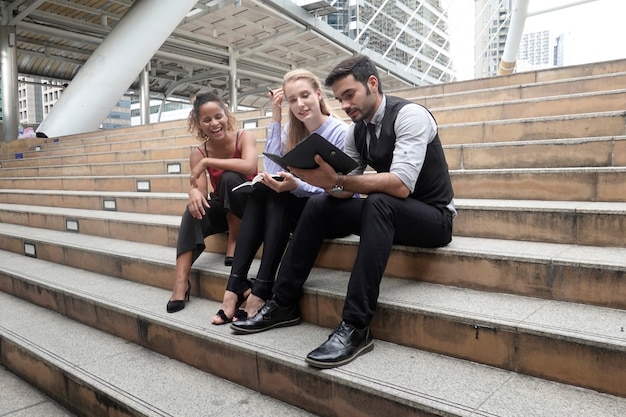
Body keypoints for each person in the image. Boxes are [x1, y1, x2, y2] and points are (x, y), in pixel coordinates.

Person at [231, 55, 456, 369]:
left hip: (434, 218)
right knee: (320, 203)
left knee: (379, 201)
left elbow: (402, 185)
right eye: (340, 98)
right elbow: (343, 189)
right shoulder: (357, 132)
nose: (345, 104)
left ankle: (355, 326)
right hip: (392, 214)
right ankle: (282, 303)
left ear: (372, 84)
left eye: (350, 95)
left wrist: (337, 180)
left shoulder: (410, 116)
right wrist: (315, 181)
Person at [211, 69, 348, 324]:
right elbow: (272, 170)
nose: (299, 104)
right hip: (294, 207)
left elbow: (343, 188)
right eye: (292, 100)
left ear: (319, 94)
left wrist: (297, 186)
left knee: (279, 195)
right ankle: (235, 286)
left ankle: (258, 291)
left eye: (305, 95)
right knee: (265, 189)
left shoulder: (340, 133)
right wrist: (275, 115)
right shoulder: (291, 131)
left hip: (326, 211)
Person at [166, 91, 258, 313]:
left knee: (229, 177)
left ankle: (234, 241)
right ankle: (180, 282)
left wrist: (208, 162)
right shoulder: (198, 153)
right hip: (223, 207)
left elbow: (248, 167)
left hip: (250, 206)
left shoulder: (244, 137)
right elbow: (202, 190)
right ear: (199, 123)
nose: (214, 123)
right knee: (192, 210)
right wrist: (194, 193)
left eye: (218, 116)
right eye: (207, 120)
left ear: (226, 115)